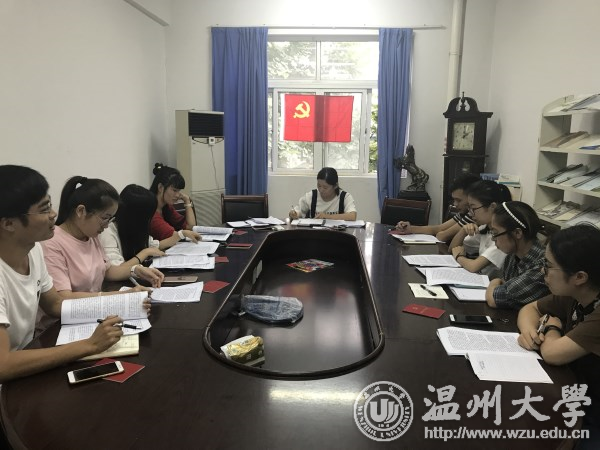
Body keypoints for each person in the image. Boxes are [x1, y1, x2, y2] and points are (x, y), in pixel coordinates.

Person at [0, 165, 124, 383]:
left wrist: (120, 302)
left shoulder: (34, 250)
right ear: (9, 223)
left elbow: (55, 304)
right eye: (44, 209)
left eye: (50, 204)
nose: (54, 214)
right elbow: (4, 365)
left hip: (29, 362)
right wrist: (89, 345)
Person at [517, 224, 600, 447]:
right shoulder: (574, 293)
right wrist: (530, 332)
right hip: (577, 391)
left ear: (579, 276)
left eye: (548, 266)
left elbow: (553, 354)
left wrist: (551, 327)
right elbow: (529, 309)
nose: (541, 272)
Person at [41, 176, 164, 300]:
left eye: (110, 219)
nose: (106, 226)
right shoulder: (52, 243)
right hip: (75, 311)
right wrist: (122, 295)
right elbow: (63, 297)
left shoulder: (90, 235)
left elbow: (106, 271)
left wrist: (135, 270)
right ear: (81, 211)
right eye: (105, 218)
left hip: (97, 306)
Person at [100, 184, 184, 268]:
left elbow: (153, 244)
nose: (149, 221)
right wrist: (145, 252)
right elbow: (116, 269)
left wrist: (182, 234)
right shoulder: (108, 232)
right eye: (147, 217)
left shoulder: (132, 227)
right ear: (137, 216)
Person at [485, 201, 550, 309]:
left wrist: (494, 281)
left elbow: (494, 299)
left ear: (517, 233)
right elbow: (503, 287)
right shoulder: (512, 256)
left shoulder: (542, 266)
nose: (493, 239)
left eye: (495, 233)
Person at [449, 180, 512, 276]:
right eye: (469, 208)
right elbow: (452, 249)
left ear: (492, 206)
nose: (470, 214)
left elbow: (473, 267)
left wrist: (459, 256)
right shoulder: (485, 228)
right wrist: (463, 231)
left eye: (473, 208)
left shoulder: (503, 236)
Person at [395, 173, 480, 242]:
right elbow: (439, 228)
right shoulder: (464, 212)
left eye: (459, 200)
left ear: (472, 197)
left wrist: (441, 233)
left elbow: (442, 236)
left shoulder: (474, 215)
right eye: (454, 200)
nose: (455, 204)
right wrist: (410, 229)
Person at [149, 163, 201, 242]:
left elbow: (190, 227)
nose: (177, 195)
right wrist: (183, 234)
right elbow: (174, 236)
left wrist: (187, 201)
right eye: (174, 190)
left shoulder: (166, 207)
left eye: (179, 191)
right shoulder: (150, 211)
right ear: (160, 187)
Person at [289, 167, 357, 221]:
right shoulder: (312, 196)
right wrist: (294, 214)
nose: (321, 190)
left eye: (325, 187)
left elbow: (352, 216)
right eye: (319, 186)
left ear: (335, 186)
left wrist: (326, 216)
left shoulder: (344, 197)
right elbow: (298, 211)